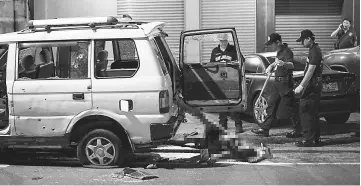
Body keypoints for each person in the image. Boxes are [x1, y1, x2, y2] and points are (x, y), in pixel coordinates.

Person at [251, 33, 299, 137]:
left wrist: (284, 64)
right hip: (277, 82)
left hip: (285, 83)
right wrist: (271, 65)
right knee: (271, 104)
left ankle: (298, 130)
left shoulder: (287, 52)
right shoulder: (279, 52)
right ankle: (265, 129)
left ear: (278, 42)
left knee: (290, 107)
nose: (271, 46)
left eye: (272, 44)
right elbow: (278, 62)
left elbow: (291, 65)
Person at [210, 33, 243, 133]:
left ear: (227, 40)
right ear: (218, 41)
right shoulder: (215, 51)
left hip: (232, 79)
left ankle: (238, 125)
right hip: (220, 80)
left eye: (224, 40)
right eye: (221, 41)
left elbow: (242, 61)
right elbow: (211, 65)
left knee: (234, 102)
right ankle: (223, 125)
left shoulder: (234, 49)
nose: (223, 42)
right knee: (222, 103)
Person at [294, 29, 322, 147]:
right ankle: (315, 138)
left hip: (311, 86)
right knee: (312, 112)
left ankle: (309, 139)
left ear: (308, 39)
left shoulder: (314, 51)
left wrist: (301, 86)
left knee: (306, 111)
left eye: (302, 41)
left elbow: (311, 70)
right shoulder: (314, 50)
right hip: (314, 85)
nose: (302, 43)